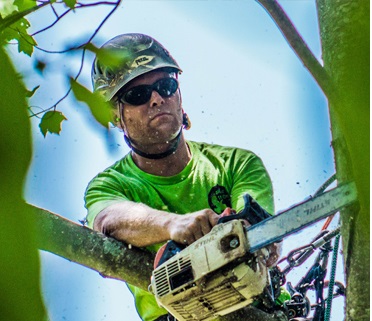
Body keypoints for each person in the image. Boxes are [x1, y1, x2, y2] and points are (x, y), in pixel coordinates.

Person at [85, 33, 280, 321]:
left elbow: (260, 230)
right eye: (137, 95)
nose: (156, 99)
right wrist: (174, 225)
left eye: (165, 86)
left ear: (179, 94)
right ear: (115, 115)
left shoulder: (236, 164)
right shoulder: (111, 184)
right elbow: (108, 220)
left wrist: (239, 227)